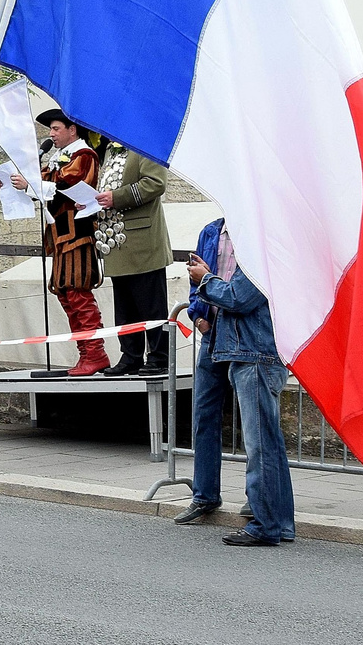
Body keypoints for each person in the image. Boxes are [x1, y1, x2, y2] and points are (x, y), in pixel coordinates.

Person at [183, 222, 295, 547]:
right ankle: (279, 522)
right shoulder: (262, 240)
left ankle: (265, 524)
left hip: (256, 353)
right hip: (251, 350)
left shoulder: (260, 246)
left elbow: (238, 297)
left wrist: (205, 279)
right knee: (268, 442)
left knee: (261, 444)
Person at [0, 110, 108, 376]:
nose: (51, 134)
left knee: (79, 294)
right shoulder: (59, 159)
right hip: (59, 236)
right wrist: (11, 184)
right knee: (68, 296)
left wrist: (31, 183)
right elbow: (43, 188)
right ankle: (87, 353)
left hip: (77, 234)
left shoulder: (84, 156)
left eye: (56, 128)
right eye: (51, 129)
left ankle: (95, 353)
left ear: (73, 130)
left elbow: (63, 185)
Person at [94, 143, 173, 376]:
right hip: (116, 242)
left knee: (151, 305)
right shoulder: (110, 150)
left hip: (143, 241)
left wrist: (116, 197)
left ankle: (159, 357)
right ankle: (131, 356)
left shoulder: (144, 144)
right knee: (125, 308)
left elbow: (156, 183)